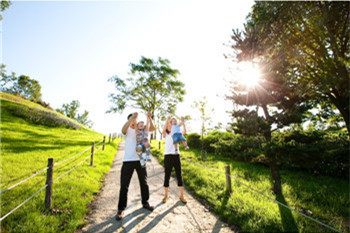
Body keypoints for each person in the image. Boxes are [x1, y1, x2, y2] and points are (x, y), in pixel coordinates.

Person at [116, 111, 155, 221]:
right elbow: (123, 130)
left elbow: (152, 128)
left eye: (135, 120)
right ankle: (121, 209)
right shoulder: (128, 130)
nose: (134, 122)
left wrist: (149, 117)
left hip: (140, 160)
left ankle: (145, 202)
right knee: (124, 185)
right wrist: (131, 118)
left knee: (144, 182)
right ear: (129, 121)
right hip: (128, 160)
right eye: (132, 120)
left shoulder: (141, 130)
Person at [162, 116, 187, 204]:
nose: (172, 124)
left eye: (173, 121)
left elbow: (184, 132)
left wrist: (183, 122)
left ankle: (182, 195)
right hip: (168, 156)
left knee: (179, 175)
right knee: (167, 176)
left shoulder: (177, 132)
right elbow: (164, 129)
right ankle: (166, 195)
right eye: (170, 122)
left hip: (176, 156)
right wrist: (167, 120)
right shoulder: (166, 134)